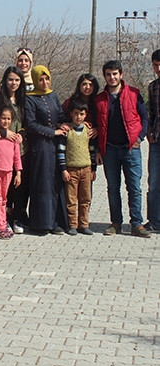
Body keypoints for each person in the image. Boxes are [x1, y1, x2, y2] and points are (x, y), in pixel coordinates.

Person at [95, 60, 150, 238]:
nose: (112, 77)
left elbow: (145, 118)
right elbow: (96, 126)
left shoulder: (134, 93)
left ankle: (136, 223)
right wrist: (98, 150)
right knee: (113, 188)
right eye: (108, 74)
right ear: (104, 76)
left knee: (134, 188)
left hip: (131, 149)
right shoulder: (99, 99)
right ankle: (116, 223)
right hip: (109, 150)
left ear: (121, 74)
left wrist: (139, 138)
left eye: (115, 74)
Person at [25, 65, 68, 234]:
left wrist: (66, 123)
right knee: (42, 183)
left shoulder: (53, 95)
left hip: (55, 145)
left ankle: (55, 222)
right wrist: (52, 132)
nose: (44, 82)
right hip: (41, 145)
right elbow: (31, 124)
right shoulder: (30, 98)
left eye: (46, 79)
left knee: (55, 183)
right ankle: (41, 223)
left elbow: (59, 115)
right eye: (41, 79)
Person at [0, 66, 27, 233]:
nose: (13, 83)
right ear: (5, 81)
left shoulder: (22, 100)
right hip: (1, 149)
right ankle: (3, 219)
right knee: (3, 192)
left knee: (17, 186)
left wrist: (21, 134)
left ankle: (16, 218)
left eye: (17, 80)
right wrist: (5, 132)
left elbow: (26, 123)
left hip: (18, 148)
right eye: (10, 79)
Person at [57, 100, 97, 236]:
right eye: (76, 114)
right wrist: (63, 169)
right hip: (71, 170)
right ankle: (72, 224)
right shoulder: (67, 131)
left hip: (86, 169)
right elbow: (61, 151)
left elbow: (92, 150)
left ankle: (83, 224)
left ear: (85, 115)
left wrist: (93, 169)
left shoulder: (88, 131)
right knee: (71, 199)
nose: (78, 117)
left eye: (81, 114)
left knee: (85, 198)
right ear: (71, 114)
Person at [0, 107, 22, 239]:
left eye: (9, 119)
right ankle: (0, 227)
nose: (6, 121)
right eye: (3, 118)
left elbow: (17, 157)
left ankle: (4, 222)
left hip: (8, 172)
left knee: (4, 200)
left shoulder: (13, 137)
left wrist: (18, 173)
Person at [145, 49, 160, 233]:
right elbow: (152, 113)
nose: (159, 68)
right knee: (154, 183)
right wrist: (149, 131)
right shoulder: (153, 86)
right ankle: (154, 221)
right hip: (156, 140)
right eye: (155, 65)